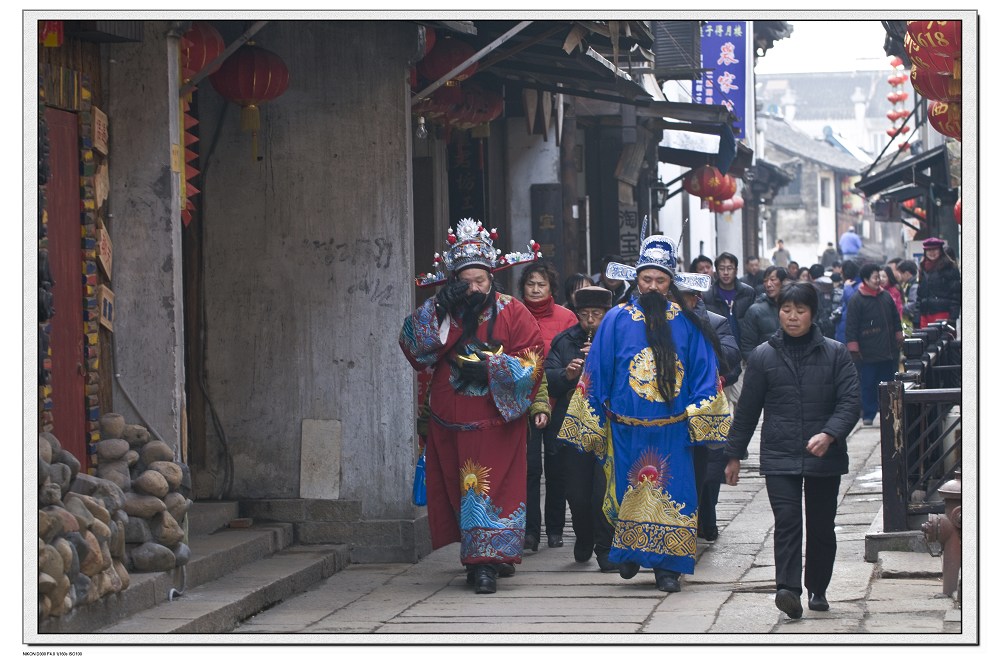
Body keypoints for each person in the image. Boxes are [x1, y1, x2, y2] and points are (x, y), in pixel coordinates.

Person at [558, 235, 731, 593]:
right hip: (626, 429)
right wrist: (591, 417)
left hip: (674, 431)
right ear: (636, 279)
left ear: (671, 283)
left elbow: (704, 373)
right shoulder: (616, 320)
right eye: (646, 279)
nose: (652, 286)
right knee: (627, 493)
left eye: (661, 280)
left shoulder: (687, 323)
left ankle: (669, 567)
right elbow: (598, 371)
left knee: (676, 494)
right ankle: (631, 552)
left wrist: (699, 414)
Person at [399, 218, 544, 594]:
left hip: (496, 419)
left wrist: (494, 368)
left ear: (492, 278)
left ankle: (485, 565)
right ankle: (479, 556)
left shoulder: (513, 311)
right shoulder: (445, 308)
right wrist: (436, 310)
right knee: (462, 489)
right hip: (452, 419)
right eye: (467, 282)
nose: (474, 288)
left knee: (495, 489)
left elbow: (533, 360)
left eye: (481, 281)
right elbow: (411, 345)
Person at [724, 282, 860, 620]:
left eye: (800, 310)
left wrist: (829, 434)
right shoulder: (763, 355)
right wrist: (734, 454)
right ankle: (788, 589)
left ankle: (818, 587)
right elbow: (747, 409)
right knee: (786, 521)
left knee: (821, 526)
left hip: (822, 456)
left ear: (812, 313)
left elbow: (850, 402)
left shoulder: (835, 352)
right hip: (780, 452)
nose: (793, 317)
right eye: (787, 310)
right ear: (778, 311)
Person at [544, 286, 615, 569]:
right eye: (584, 315)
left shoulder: (617, 339)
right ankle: (583, 535)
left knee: (602, 490)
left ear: (607, 314)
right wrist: (567, 373)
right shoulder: (565, 341)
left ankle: (605, 547)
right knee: (576, 491)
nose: (590, 321)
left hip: (608, 425)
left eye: (596, 315)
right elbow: (547, 377)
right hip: (573, 428)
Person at [673, 277, 742, 544]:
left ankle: (706, 521)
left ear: (696, 298)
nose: (678, 303)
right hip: (672, 408)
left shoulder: (714, 321)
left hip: (706, 406)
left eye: (685, 298)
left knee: (709, 470)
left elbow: (730, 359)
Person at [519, 262, 579, 552]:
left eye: (541, 284)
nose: (535, 289)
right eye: (530, 284)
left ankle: (555, 529)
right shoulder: (515, 314)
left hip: (560, 401)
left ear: (551, 288)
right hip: (524, 403)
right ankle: (530, 531)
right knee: (530, 468)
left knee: (558, 468)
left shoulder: (567, 318)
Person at [845, 263, 903, 426]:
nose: (878, 280)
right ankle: (869, 414)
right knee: (868, 384)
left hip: (887, 349)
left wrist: (898, 335)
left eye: (879, 277)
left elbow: (895, 318)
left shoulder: (885, 296)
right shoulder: (857, 300)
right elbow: (851, 326)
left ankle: (888, 412)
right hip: (868, 351)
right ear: (865, 279)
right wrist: (854, 348)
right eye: (875, 277)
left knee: (888, 383)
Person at [702, 252, 756, 410]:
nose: (726, 272)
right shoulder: (708, 295)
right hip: (719, 355)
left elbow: (753, 324)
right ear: (716, 270)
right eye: (722, 268)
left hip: (742, 354)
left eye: (730, 268)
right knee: (719, 402)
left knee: (742, 400)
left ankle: (737, 433)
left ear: (736, 270)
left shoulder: (748, 292)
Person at [740, 265, 788, 360]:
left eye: (773, 280)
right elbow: (747, 346)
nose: (768, 284)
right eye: (765, 281)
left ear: (784, 282)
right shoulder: (755, 310)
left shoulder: (793, 308)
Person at [916, 237, 961, 328]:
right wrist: (916, 317)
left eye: (935, 250)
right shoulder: (923, 268)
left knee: (942, 341)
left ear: (940, 250)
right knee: (924, 341)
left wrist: (952, 318)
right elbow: (919, 296)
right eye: (929, 250)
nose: (932, 253)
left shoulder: (949, 268)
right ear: (925, 252)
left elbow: (956, 295)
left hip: (943, 314)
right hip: (924, 315)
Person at [834, 260, 860, 344]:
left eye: (842, 273)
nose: (841, 276)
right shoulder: (850, 285)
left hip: (850, 333)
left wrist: (847, 287)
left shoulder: (857, 286)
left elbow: (853, 302)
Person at [896, 259, 919, 335]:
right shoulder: (906, 284)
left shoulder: (914, 285)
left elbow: (913, 304)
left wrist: (899, 308)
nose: (898, 275)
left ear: (906, 274)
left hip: (914, 322)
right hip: (908, 322)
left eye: (899, 273)